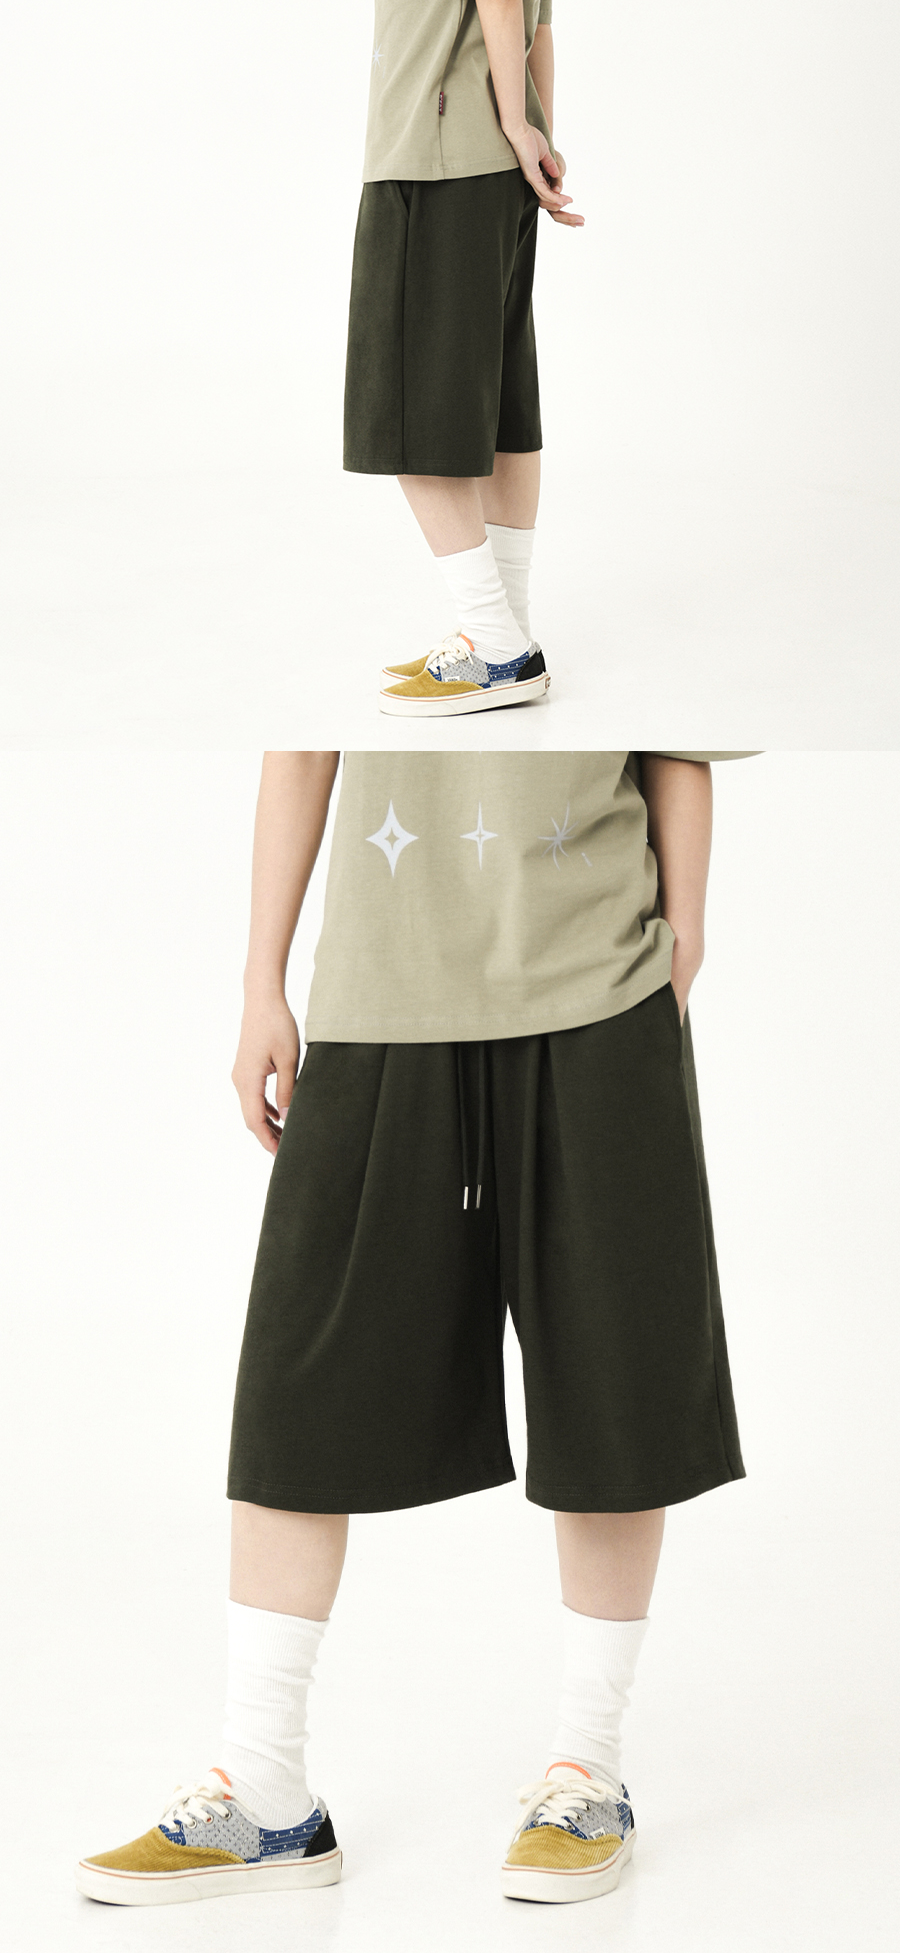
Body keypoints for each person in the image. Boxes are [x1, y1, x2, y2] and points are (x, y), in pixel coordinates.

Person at [77, 745, 754, 1907]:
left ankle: (586, 1771)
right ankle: (265, 1790)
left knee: (612, 1373)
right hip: (379, 991)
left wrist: (681, 947)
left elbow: (675, 737)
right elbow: (303, 741)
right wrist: (261, 982)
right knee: (300, 1380)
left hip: (599, 981)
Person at [344, 0, 581, 720]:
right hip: (487, 156)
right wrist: (534, 133)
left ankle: (495, 646)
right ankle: (508, 633)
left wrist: (521, 131)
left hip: (437, 156)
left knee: (410, 411)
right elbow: (535, 4)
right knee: (494, 405)